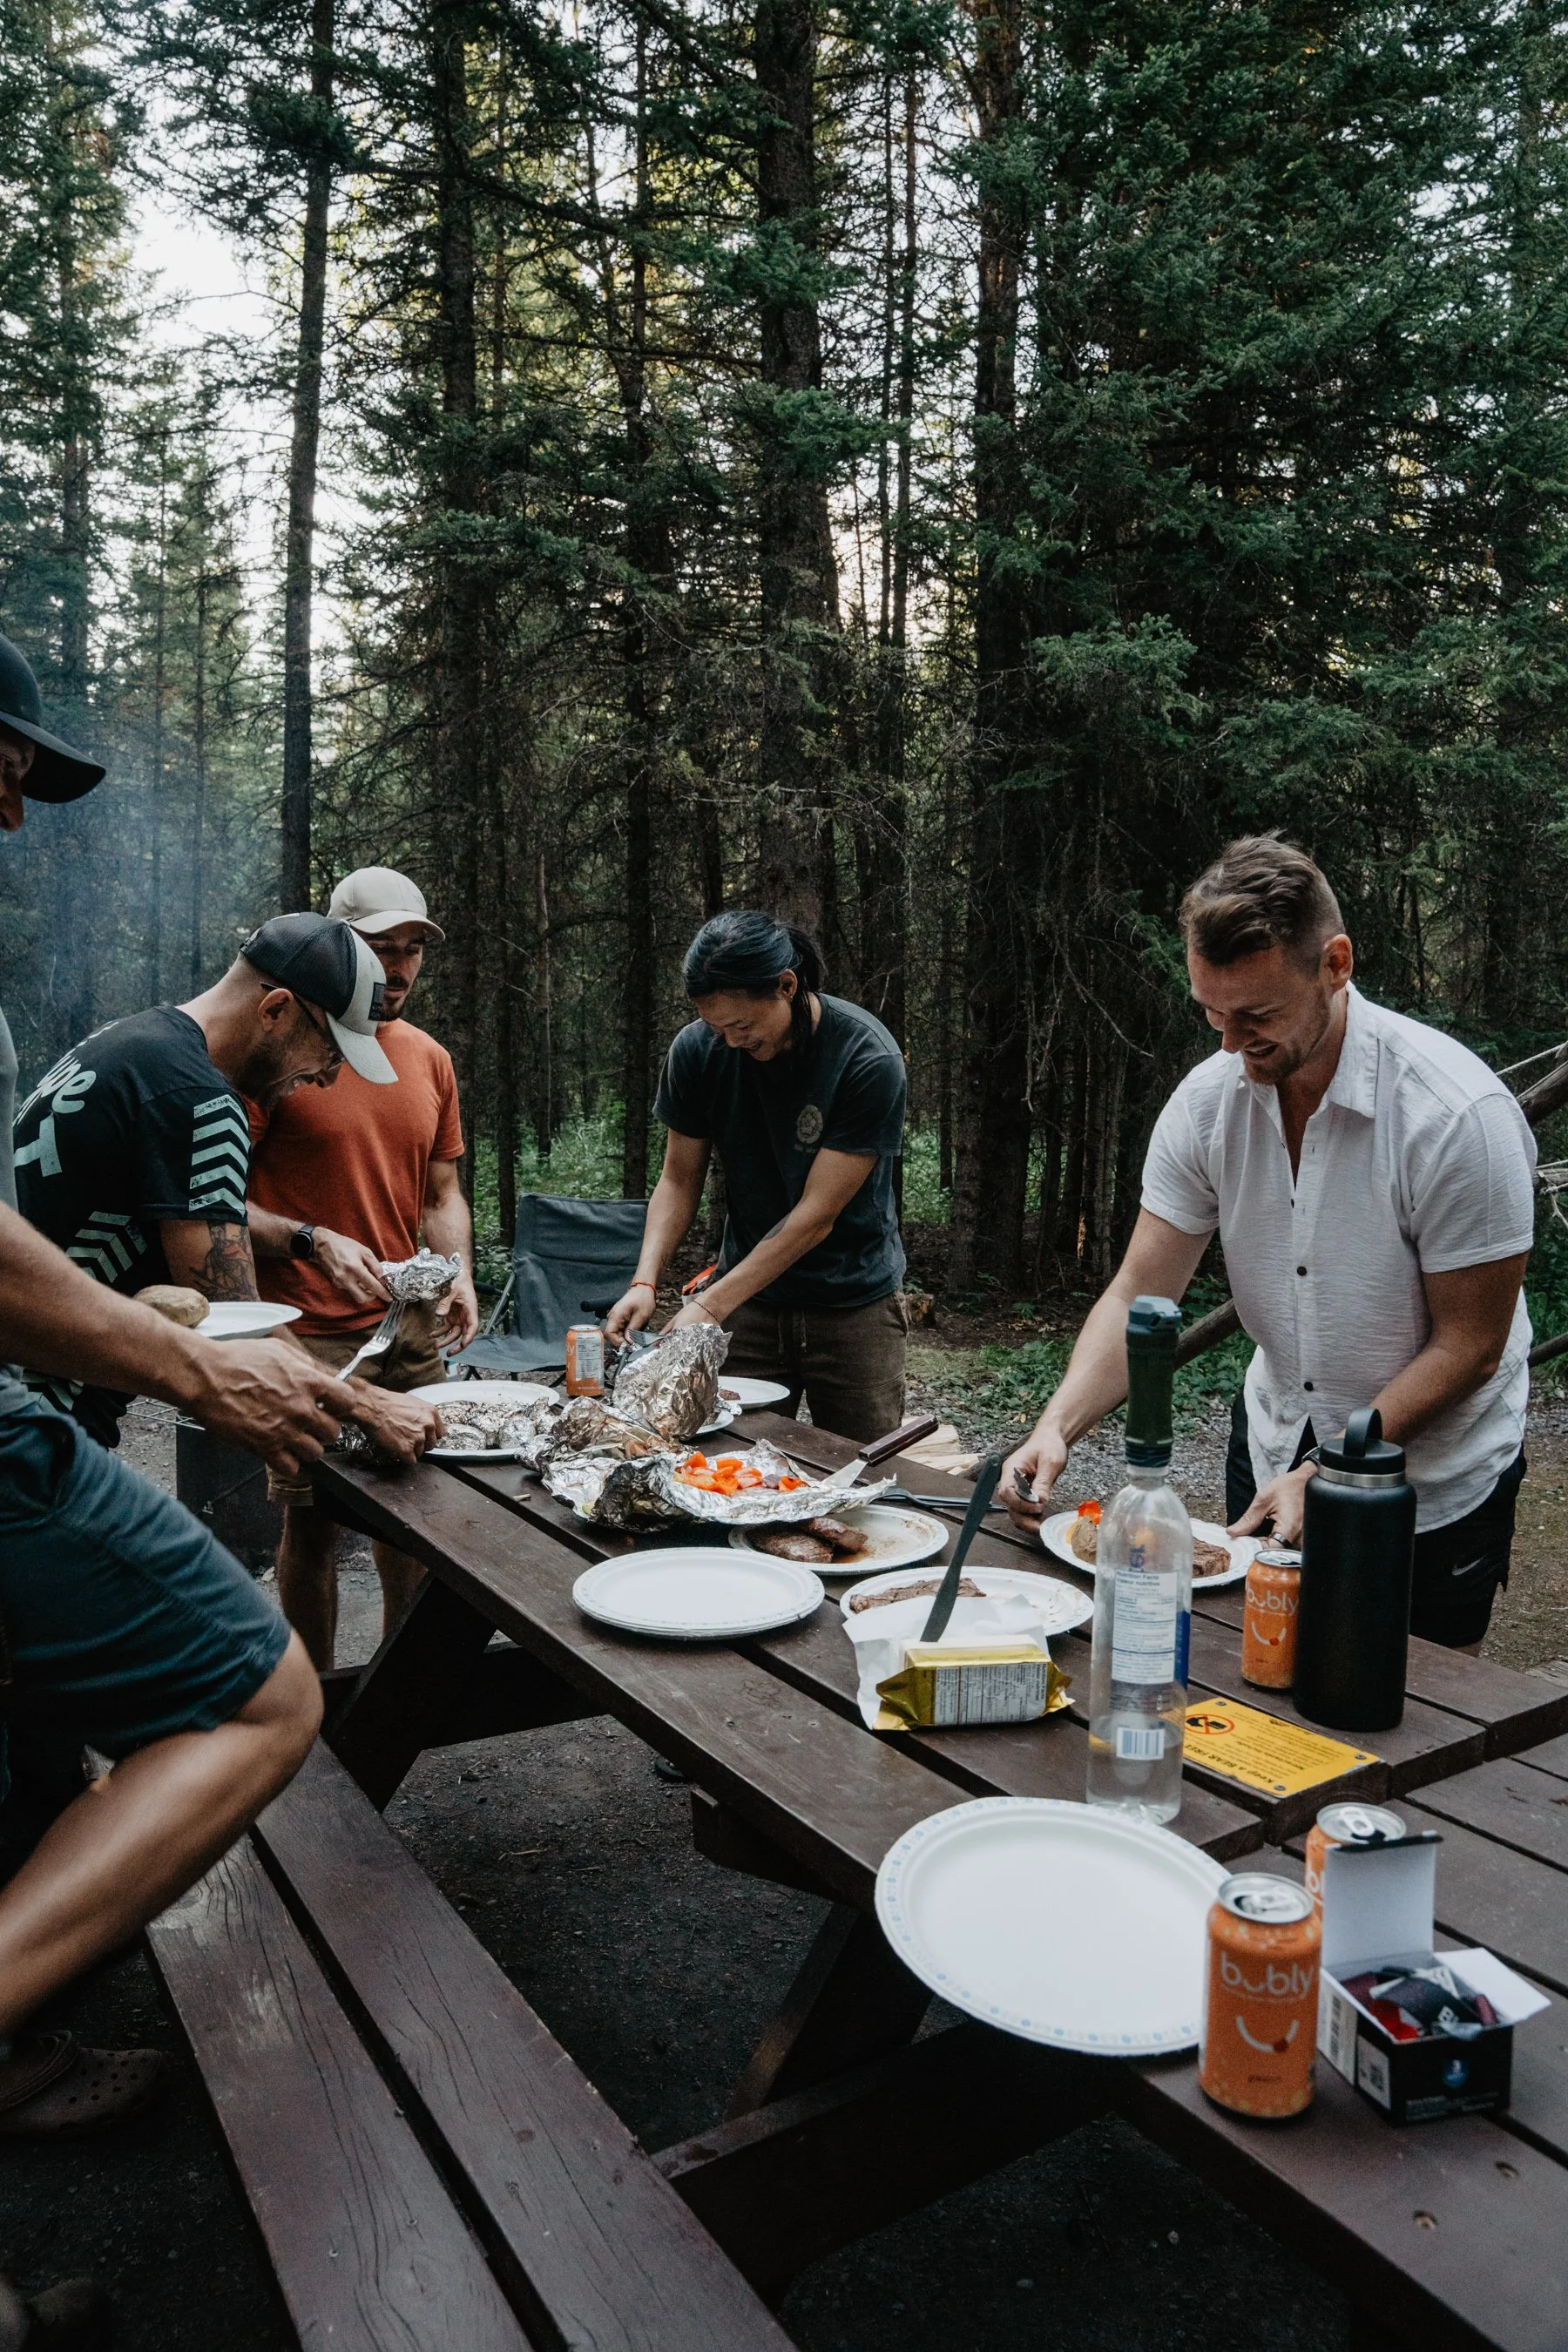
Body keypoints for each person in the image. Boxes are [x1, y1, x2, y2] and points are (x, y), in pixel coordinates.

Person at [0, 633, 360, 2347]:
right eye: (6, 764)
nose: (18, 806)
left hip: (52, 1391)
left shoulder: (121, 1046)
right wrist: (301, 1394)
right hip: (14, 1429)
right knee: (244, 1685)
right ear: (278, 1008)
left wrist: (275, 1259)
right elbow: (217, 1317)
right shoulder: (203, 1097)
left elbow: (170, 1262)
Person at [1002, 835, 1536, 1652]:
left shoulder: (1457, 1115)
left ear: (1335, 964)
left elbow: (1471, 1344)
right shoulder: (1209, 1104)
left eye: (1255, 1015)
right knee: (1253, 1688)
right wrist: (1056, 1426)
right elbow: (1140, 1291)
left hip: (1429, 1487)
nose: (1226, 1043)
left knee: (1415, 1722)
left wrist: (1331, 1472)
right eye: (1210, 1012)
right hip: (1276, 1444)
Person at [12, 911, 438, 1472]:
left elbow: (180, 1205)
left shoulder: (133, 1046)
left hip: (20, 1377)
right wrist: (369, 1403)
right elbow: (237, 1321)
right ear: (276, 1009)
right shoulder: (202, 1103)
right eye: (330, 1050)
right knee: (184, 1565)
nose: (329, 1077)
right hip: (39, 1417)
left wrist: (309, 1239)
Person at [246, 867, 478, 1667]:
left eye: (414, 948)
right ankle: (309, 1702)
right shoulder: (278, 1049)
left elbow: (442, 1191)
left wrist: (461, 1276)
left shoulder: (429, 1060)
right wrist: (308, 1238)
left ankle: (394, 1684)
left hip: (407, 1328)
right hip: (304, 1332)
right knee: (309, 1520)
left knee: (415, 1509)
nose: (403, 967)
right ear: (343, 947)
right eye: (384, 947)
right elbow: (216, 1201)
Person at [605, 911, 909, 1441]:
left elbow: (815, 1217)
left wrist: (708, 1304)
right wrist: (645, 1279)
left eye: (741, 1026)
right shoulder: (698, 1051)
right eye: (715, 1027)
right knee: (728, 1460)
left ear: (786, 987)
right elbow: (678, 1180)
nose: (728, 1042)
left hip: (853, 1305)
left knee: (860, 1471)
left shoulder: (866, 1058)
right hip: (749, 1304)